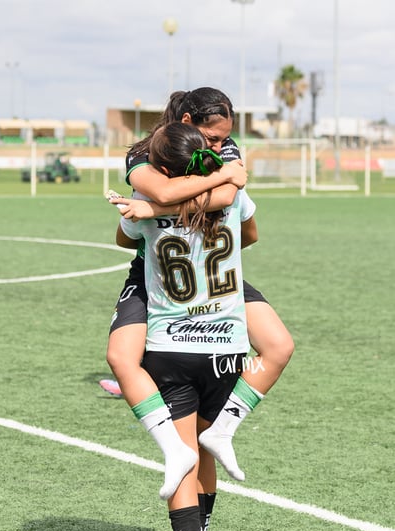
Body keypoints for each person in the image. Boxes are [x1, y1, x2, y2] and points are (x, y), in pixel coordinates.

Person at [105, 87, 294, 484]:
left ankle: (222, 430)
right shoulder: (142, 152)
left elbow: (228, 194)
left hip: (210, 270)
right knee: (123, 356)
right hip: (156, 271)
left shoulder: (223, 150)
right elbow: (162, 189)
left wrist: (154, 209)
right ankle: (162, 416)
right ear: (188, 123)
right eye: (215, 140)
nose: (223, 148)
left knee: (277, 345)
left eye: (227, 140)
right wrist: (155, 205)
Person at [116, 121, 258, 531]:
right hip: (228, 343)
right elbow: (251, 232)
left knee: (182, 457)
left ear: (161, 168)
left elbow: (123, 237)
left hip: (171, 343)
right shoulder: (232, 198)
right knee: (205, 450)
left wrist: (154, 208)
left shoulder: (144, 211)